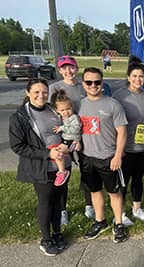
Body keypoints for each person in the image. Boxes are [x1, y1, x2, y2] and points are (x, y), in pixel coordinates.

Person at [9, 79, 70, 256]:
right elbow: (18, 146)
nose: (41, 95)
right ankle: (46, 239)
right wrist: (47, 154)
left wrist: (67, 145)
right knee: (46, 202)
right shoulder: (20, 117)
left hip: (62, 165)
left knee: (59, 201)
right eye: (36, 92)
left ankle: (57, 233)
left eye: (44, 92)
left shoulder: (53, 109)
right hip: (42, 168)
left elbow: (68, 130)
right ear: (28, 92)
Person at [79, 67, 129, 243]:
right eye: (89, 82)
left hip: (108, 157)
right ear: (83, 84)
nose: (93, 85)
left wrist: (117, 156)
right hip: (87, 157)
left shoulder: (112, 104)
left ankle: (119, 223)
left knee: (114, 192)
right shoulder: (79, 105)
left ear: (102, 83)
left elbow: (122, 132)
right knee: (94, 190)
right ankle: (100, 221)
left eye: (97, 82)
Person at [49, 55, 92, 225]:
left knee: (87, 171)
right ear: (59, 70)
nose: (68, 71)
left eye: (71, 67)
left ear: (77, 68)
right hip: (62, 137)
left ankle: (89, 204)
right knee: (63, 173)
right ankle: (62, 210)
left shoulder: (83, 87)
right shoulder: (54, 88)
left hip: (82, 137)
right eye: (64, 68)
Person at [112, 62, 144, 226]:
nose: (138, 79)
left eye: (141, 76)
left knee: (138, 178)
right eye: (134, 76)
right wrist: (118, 149)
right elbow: (112, 122)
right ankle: (120, 214)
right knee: (123, 181)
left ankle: (137, 209)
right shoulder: (119, 96)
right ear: (128, 77)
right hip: (125, 148)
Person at [50, 89, 82, 187]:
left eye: (68, 109)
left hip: (72, 141)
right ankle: (62, 171)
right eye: (62, 110)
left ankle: (62, 172)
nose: (66, 112)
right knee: (57, 153)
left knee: (58, 152)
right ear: (57, 111)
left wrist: (61, 128)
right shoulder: (63, 117)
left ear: (72, 107)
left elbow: (76, 129)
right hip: (66, 140)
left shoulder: (74, 118)